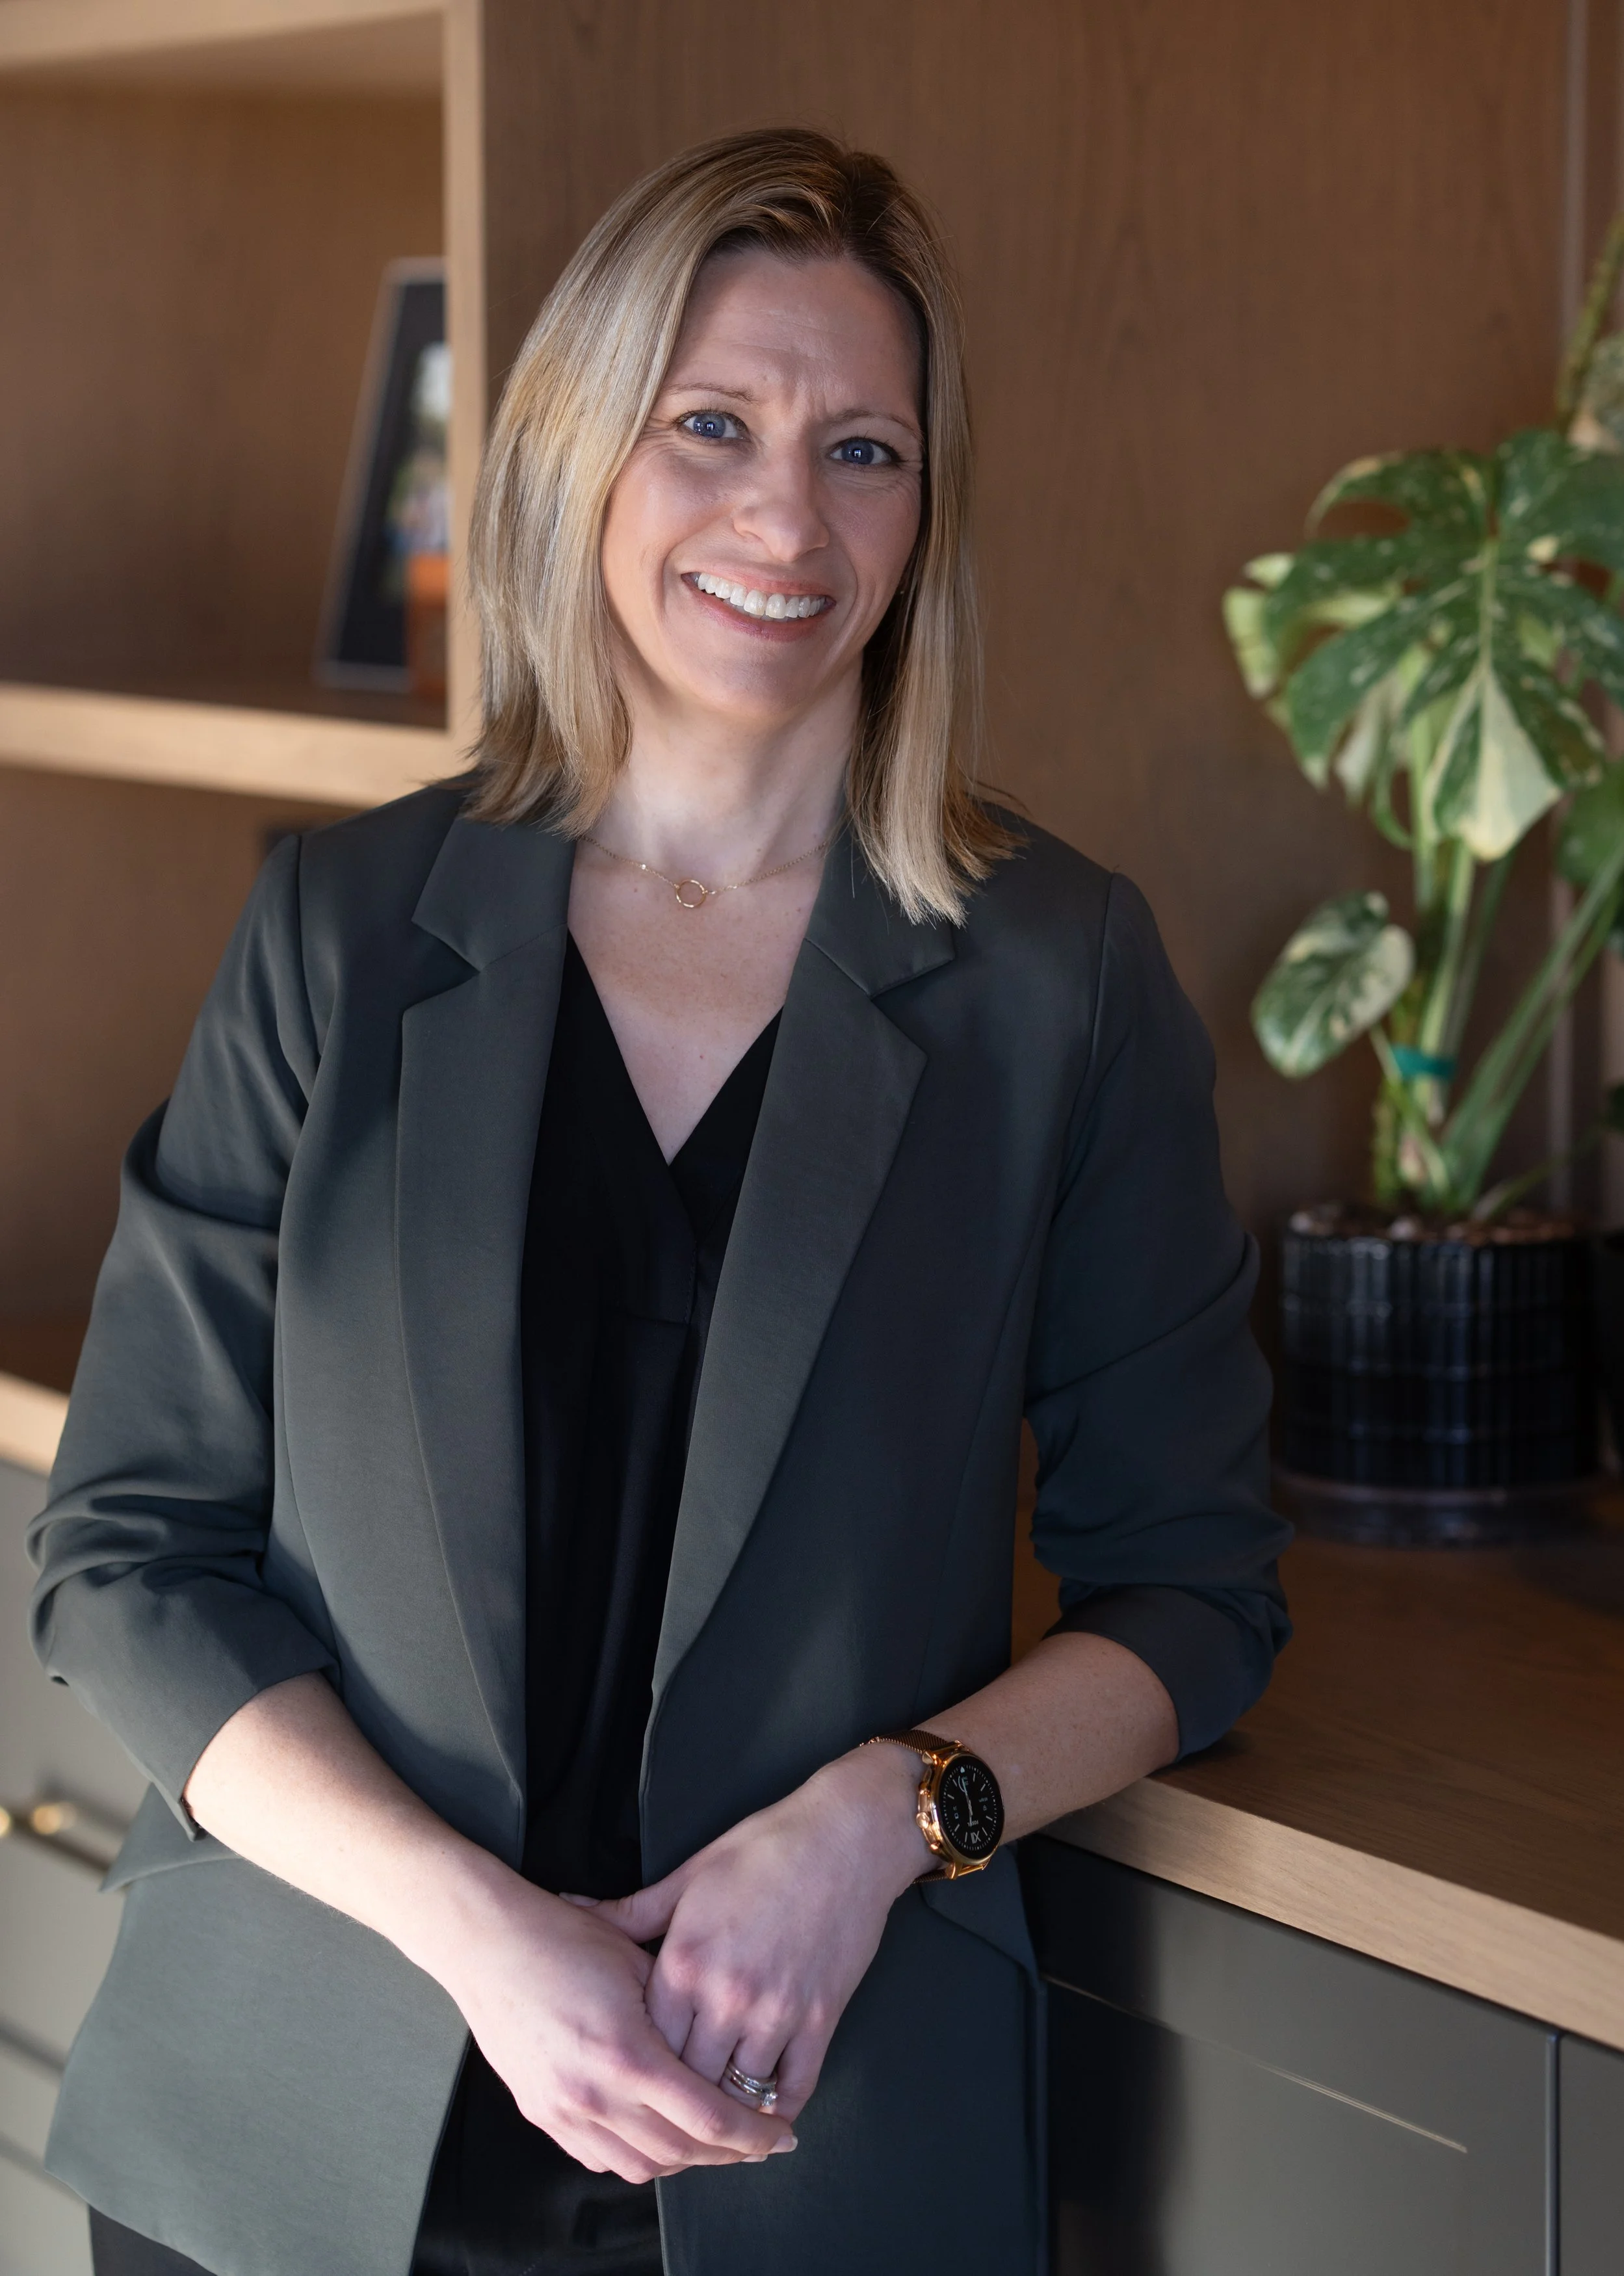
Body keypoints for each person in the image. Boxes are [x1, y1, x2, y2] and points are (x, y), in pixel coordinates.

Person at [29, 128, 1289, 2276]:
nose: (782, 519)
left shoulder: (1054, 974)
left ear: (924, 511)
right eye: (710, 425)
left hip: (803, 2120)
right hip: (305, 2115)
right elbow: (126, 1554)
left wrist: (884, 1823)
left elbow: (1193, 1594)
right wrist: (482, 1935)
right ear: (580, 453)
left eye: (862, 449)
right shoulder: (343, 924)